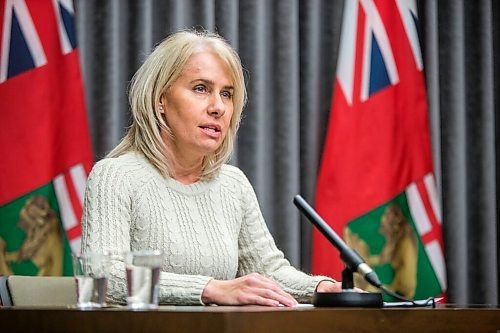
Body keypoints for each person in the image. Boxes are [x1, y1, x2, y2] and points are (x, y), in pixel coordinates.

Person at [81, 29, 343, 306]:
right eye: (201, 89)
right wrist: (210, 289)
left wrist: (322, 288)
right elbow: (103, 276)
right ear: (160, 100)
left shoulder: (233, 184)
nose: (218, 107)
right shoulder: (115, 176)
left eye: (227, 94)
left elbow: (268, 272)